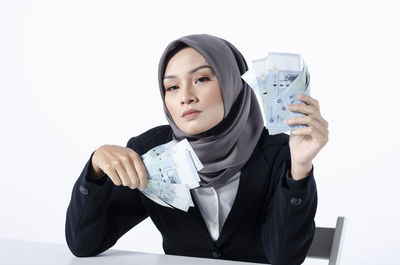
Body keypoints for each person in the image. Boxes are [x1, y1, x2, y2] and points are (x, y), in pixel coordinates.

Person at [65, 34, 329, 265]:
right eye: (172, 87)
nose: (185, 96)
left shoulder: (281, 153)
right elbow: (84, 245)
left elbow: (284, 258)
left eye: (201, 78)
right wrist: (95, 170)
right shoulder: (148, 151)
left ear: (232, 83)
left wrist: (300, 169)